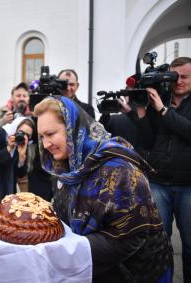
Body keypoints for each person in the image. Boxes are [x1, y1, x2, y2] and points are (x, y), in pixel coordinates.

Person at [34, 96, 173, 282]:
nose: (45, 144)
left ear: (72, 128)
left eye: (50, 134)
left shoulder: (118, 168)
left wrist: (68, 248)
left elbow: (130, 238)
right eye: (41, 136)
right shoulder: (65, 166)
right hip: (99, 270)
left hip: (140, 272)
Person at [136, 56, 191, 282]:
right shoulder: (162, 99)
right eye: (174, 76)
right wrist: (142, 112)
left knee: (190, 245)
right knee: (159, 242)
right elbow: (149, 139)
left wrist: (164, 111)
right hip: (158, 182)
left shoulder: (164, 105)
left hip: (188, 184)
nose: (178, 81)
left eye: (184, 77)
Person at [0, 117, 35, 205]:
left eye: (28, 136)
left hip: (9, 190)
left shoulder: (22, 144)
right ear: (15, 128)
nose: (24, 137)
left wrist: (22, 158)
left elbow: (21, 175)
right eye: (22, 133)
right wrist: (8, 149)